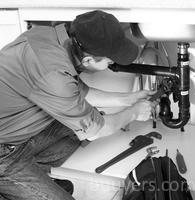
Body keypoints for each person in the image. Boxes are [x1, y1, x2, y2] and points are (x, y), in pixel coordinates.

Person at [0, 10, 157, 200]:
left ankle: (32, 179)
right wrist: (133, 113)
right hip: (4, 155)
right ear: (88, 60)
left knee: (82, 126)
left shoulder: (50, 37)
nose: (112, 63)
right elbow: (96, 130)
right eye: (110, 61)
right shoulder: (54, 76)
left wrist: (129, 98)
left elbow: (78, 92)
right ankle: (14, 186)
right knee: (90, 127)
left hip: (13, 134)